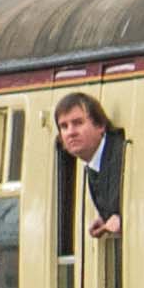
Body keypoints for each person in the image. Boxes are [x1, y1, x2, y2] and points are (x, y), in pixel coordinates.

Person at [52, 93, 126, 242]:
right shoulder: (93, 162)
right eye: (64, 126)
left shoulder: (120, 154)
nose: (71, 132)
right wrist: (105, 218)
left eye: (78, 123)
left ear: (100, 125)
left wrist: (120, 219)